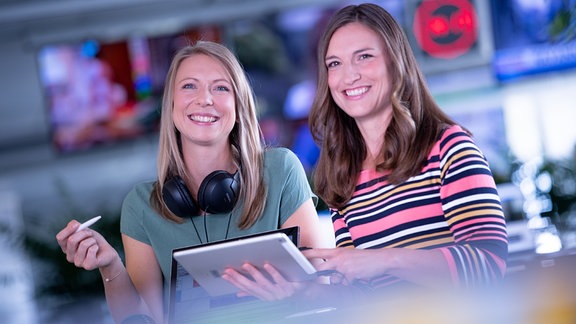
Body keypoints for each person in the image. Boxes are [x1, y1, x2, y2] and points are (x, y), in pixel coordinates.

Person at [223, 3, 508, 302]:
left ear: (395, 62)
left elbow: (489, 265)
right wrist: (302, 291)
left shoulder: (449, 147)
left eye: (364, 57)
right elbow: (361, 297)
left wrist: (383, 259)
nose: (350, 76)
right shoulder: (342, 175)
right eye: (335, 64)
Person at [56, 40, 324, 324]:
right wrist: (110, 265)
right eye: (189, 86)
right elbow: (147, 318)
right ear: (170, 105)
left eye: (221, 87)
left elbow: (321, 286)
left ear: (239, 104)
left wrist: (294, 291)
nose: (205, 99)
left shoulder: (280, 169)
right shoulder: (141, 206)